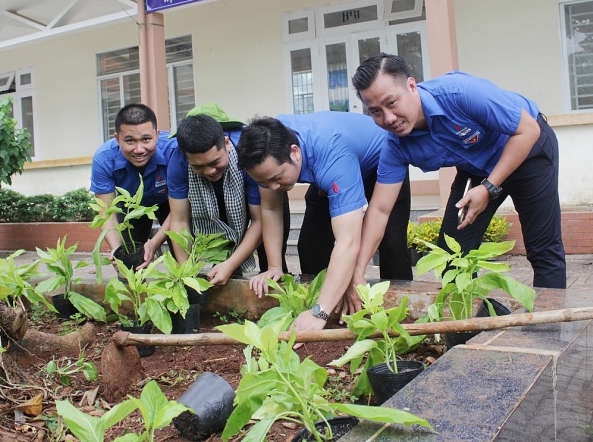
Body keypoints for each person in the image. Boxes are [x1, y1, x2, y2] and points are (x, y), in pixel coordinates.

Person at [350, 53, 566, 312]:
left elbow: (528, 130)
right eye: (376, 112)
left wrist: (489, 187)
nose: (389, 119)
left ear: (411, 86)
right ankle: (478, 324)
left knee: (543, 250)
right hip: (477, 168)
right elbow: (380, 209)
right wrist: (358, 273)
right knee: (453, 256)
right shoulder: (395, 146)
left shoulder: (461, 94)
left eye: (391, 103)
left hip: (528, 149)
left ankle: (551, 330)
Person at [236, 112, 412, 332]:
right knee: (311, 247)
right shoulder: (265, 146)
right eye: (263, 181)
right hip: (330, 172)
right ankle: (328, 304)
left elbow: (348, 242)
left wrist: (351, 278)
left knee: (392, 247)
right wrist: (274, 266)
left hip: (379, 166)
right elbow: (271, 207)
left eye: (277, 178)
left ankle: (399, 318)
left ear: (295, 152)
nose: (272, 187)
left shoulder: (332, 157)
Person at [167, 103, 290, 284]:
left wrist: (231, 264)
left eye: (215, 162)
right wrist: (186, 273)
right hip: (212, 206)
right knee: (224, 262)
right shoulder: (178, 162)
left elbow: (260, 220)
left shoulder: (248, 155)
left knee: (271, 262)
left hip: (265, 203)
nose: (209, 171)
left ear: (226, 143)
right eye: (198, 166)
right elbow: (179, 220)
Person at [89, 103, 177, 266]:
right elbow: (105, 212)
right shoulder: (104, 158)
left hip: (171, 203)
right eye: (130, 140)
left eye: (146, 139)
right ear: (117, 139)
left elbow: (181, 210)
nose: (139, 149)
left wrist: (154, 243)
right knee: (128, 260)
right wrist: (117, 250)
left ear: (157, 135)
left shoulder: (174, 150)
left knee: (181, 249)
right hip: (131, 206)